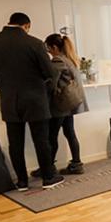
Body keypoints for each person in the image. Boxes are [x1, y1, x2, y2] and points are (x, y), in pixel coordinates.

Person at [0, 12, 64, 190]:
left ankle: (22, 182)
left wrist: (2, 85)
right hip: (35, 99)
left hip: (9, 99)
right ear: (26, 25)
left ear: (9, 22)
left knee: (15, 143)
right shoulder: (34, 43)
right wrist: (43, 88)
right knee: (41, 140)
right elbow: (49, 72)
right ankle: (48, 178)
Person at [39, 33, 87, 175]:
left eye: (48, 48)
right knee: (70, 133)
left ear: (54, 47)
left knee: (51, 136)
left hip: (60, 105)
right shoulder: (69, 59)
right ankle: (76, 164)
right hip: (68, 104)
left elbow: (51, 83)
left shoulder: (58, 61)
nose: (47, 51)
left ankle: (48, 168)